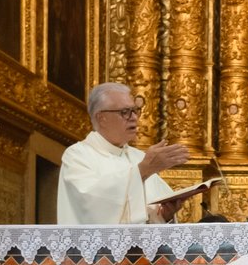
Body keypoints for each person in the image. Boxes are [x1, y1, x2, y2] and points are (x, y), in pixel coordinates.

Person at [56, 82, 191, 223]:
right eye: (125, 112)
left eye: (135, 110)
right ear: (101, 118)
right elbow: (91, 205)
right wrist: (142, 171)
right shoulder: (77, 156)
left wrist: (165, 215)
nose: (134, 117)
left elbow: (153, 217)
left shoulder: (139, 157)